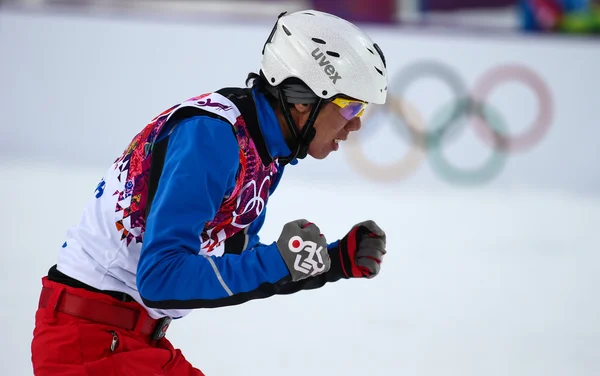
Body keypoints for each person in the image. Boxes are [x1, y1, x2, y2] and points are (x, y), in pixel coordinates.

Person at [31, 9, 389, 376]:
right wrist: (282, 261)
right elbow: (160, 279)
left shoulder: (265, 152)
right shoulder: (212, 136)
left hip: (128, 338)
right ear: (304, 99)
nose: (357, 123)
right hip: (87, 345)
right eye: (351, 107)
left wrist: (335, 261)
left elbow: (241, 267)